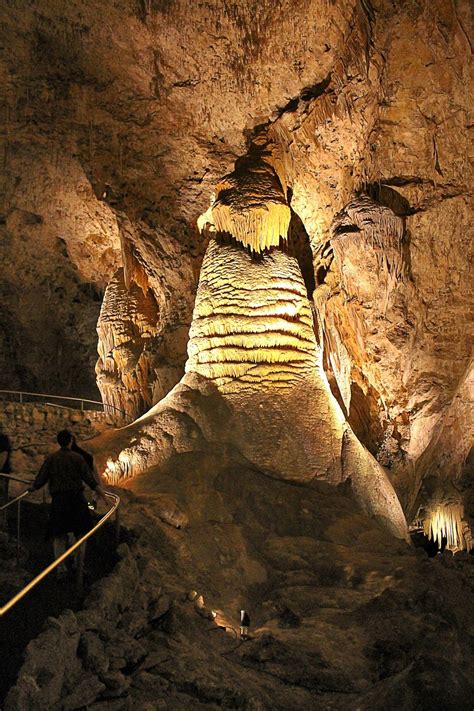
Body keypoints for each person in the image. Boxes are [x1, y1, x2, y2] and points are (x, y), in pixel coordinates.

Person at [31, 429, 108, 579]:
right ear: (71, 441)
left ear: (58, 442)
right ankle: (78, 566)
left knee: (59, 536)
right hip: (78, 500)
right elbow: (90, 480)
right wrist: (102, 495)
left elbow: (41, 480)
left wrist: (32, 488)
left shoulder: (51, 459)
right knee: (81, 534)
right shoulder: (80, 458)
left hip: (59, 501)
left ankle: (60, 569)